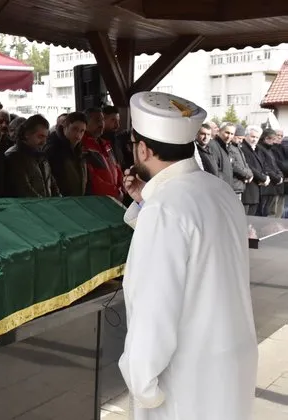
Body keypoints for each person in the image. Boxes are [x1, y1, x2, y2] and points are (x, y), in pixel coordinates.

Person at [120, 91, 257, 420]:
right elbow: (198, 247)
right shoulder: (218, 189)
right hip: (229, 359)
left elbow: (154, 305)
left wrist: (142, 383)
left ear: (143, 149)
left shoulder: (165, 208)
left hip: (187, 379)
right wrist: (145, 201)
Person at [4, 114, 60, 198]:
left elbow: (52, 185)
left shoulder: (42, 157)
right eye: (40, 136)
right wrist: (45, 204)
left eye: (45, 137)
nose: (44, 142)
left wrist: (58, 201)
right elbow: (24, 190)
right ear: (27, 134)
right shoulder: (14, 156)